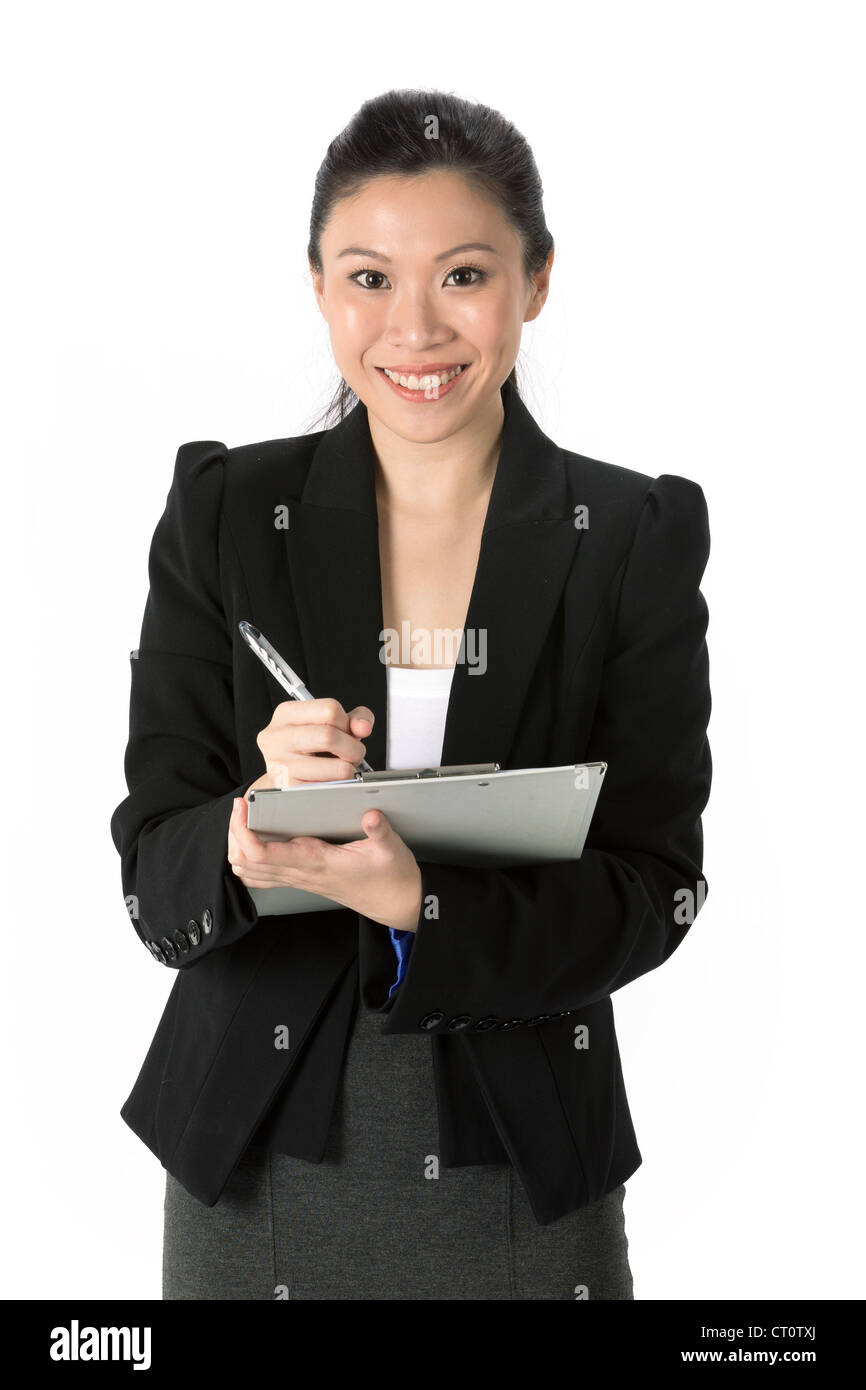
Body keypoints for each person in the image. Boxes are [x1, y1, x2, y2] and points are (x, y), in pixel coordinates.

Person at [110, 87, 711, 1301]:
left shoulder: (628, 533)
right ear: (321, 288)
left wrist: (419, 907)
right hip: (255, 1153)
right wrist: (250, 825)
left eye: (464, 274)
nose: (415, 328)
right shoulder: (225, 515)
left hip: (520, 1156)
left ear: (534, 282)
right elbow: (148, 865)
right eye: (369, 277)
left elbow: (654, 890)